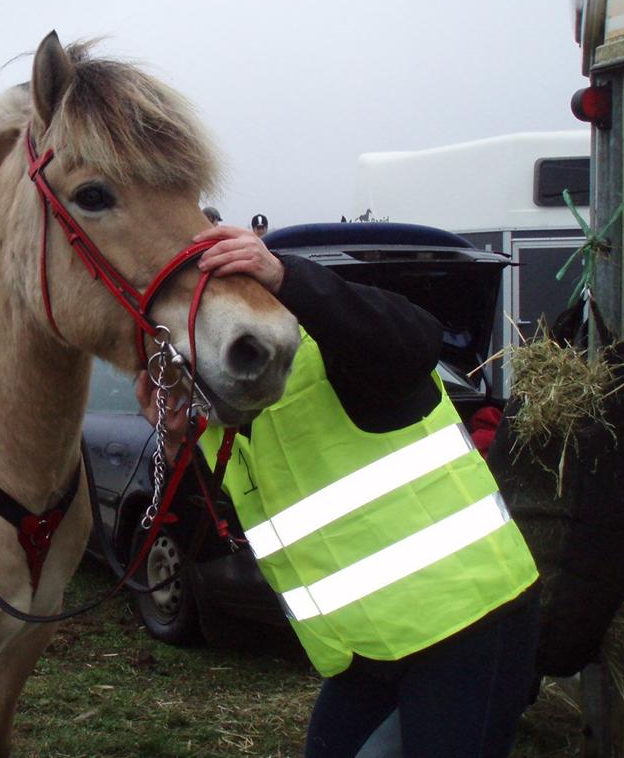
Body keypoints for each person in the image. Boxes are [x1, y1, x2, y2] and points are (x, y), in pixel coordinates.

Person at [137, 224, 540, 758]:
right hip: (365, 648)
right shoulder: (219, 418)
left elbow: (417, 337)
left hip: (468, 622)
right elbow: (214, 533)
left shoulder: (337, 352)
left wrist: (287, 276)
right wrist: (172, 435)